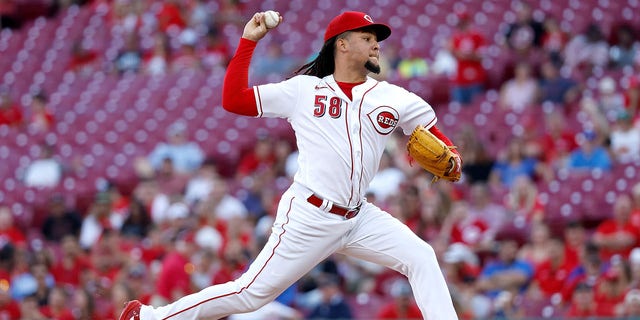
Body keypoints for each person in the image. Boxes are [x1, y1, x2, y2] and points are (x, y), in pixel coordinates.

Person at [120, 10, 461, 320]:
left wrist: (452, 157)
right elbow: (233, 99)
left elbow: (437, 137)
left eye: (376, 41)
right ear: (341, 45)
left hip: (359, 217)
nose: (376, 46)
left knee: (421, 257)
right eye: (367, 38)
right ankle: (150, 317)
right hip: (310, 215)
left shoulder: (393, 97)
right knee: (249, 294)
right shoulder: (304, 91)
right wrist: (248, 41)